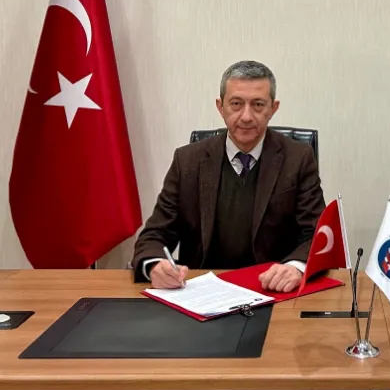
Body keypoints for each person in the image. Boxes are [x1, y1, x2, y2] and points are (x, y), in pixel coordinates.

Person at [133, 61, 325, 292]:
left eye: (258, 105)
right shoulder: (188, 161)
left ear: (273, 109)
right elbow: (155, 235)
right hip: (203, 294)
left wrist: (295, 267)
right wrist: (155, 266)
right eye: (236, 104)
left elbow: (316, 235)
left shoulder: (298, 158)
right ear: (220, 106)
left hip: (273, 290)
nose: (246, 116)